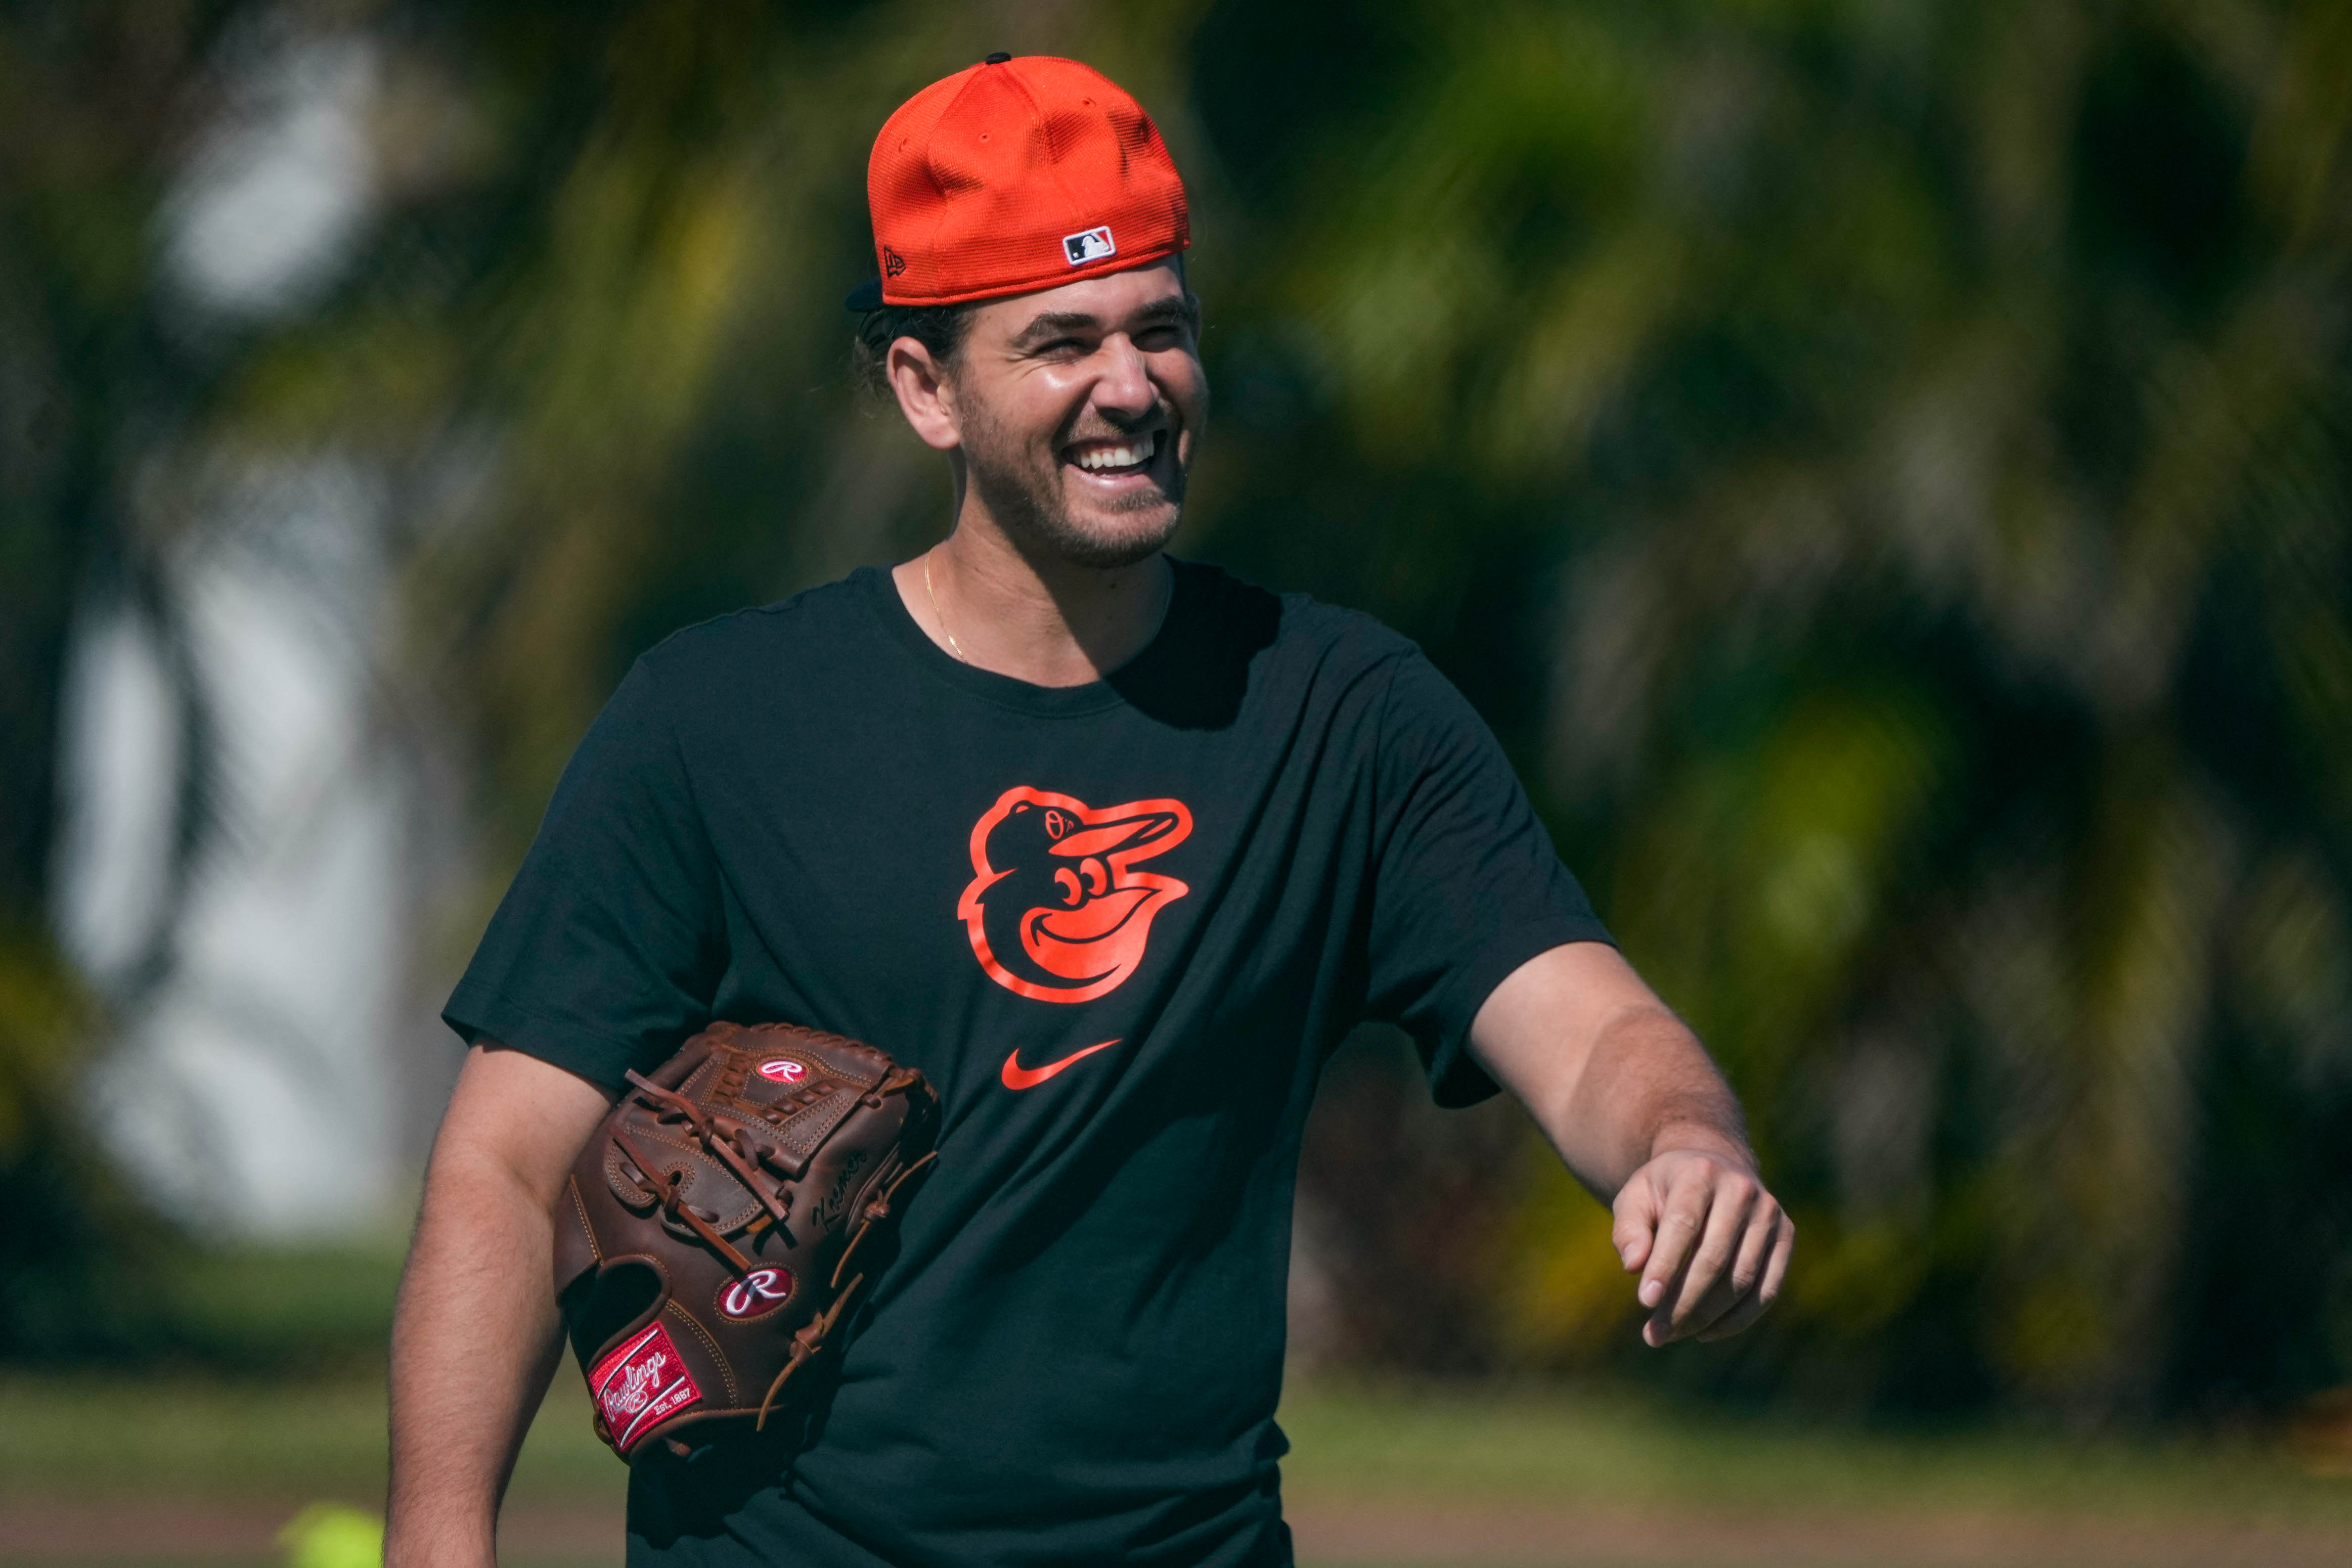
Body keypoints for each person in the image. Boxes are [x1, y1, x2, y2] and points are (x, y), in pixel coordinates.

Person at [385, 53, 1792, 1568]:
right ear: (925, 387)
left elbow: (1586, 1028)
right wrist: (439, 1540)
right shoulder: (715, 723)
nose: (1130, 386)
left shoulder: (1338, 715)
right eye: (1060, 342)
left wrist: (1684, 1142)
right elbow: (512, 1165)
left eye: (1160, 330)